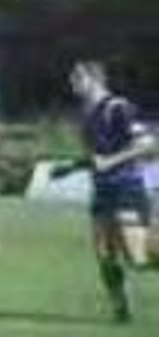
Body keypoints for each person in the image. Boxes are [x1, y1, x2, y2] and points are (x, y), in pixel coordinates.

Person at [58, 60, 155, 323]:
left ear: (95, 79)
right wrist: (71, 167)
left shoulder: (118, 107)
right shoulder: (85, 113)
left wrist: (111, 162)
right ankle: (121, 308)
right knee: (103, 253)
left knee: (137, 257)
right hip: (103, 192)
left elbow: (147, 144)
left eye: (77, 78)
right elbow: (97, 155)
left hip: (127, 187)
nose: (73, 84)